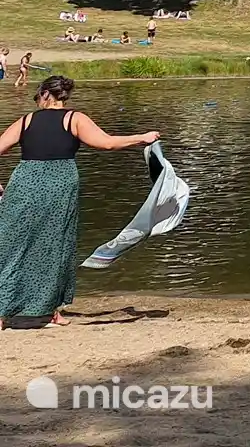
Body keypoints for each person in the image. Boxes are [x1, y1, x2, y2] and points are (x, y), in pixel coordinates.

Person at [0, 75, 161, 325]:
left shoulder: (25, 120)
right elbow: (106, 144)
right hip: (59, 183)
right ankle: (50, 311)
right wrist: (142, 137)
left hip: (24, 182)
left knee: (12, 244)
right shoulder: (74, 118)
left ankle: (5, 312)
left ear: (45, 94)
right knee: (55, 245)